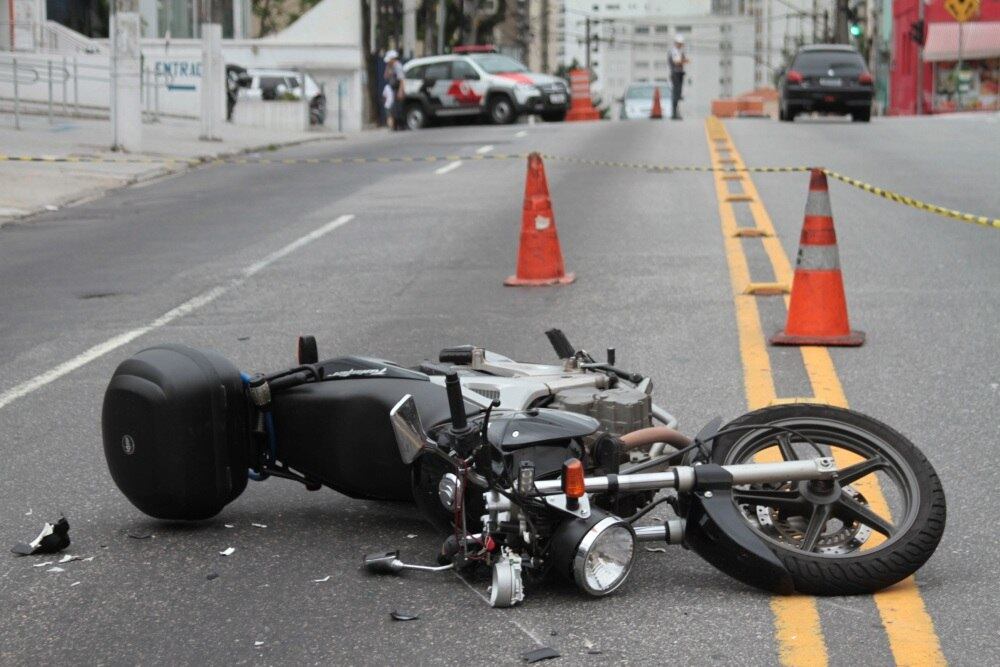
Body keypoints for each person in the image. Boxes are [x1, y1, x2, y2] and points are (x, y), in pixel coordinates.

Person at [384, 50, 406, 130]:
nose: (388, 62)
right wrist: (387, 67)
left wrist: (400, 91)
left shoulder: (398, 66)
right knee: (394, 108)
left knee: (398, 108)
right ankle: (395, 125)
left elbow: (402, 80)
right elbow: (385, 76)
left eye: (389, 60)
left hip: (398, 89)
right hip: (392, 89)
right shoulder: (391, 67)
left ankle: (401, 125)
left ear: (393, 59)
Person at [668, 35, 689, 120]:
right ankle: (674, 113)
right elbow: (676, 62)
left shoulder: (680, 51)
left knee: (678, 93)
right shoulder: (674, 51)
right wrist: (684, 61)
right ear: (676, 43)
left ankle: (676, 112)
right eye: (680, 43)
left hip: (679, 73)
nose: (681, 45)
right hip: (675, 73)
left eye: (681, 44)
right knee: (676, 93)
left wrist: (683, 60)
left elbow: (682, 61)